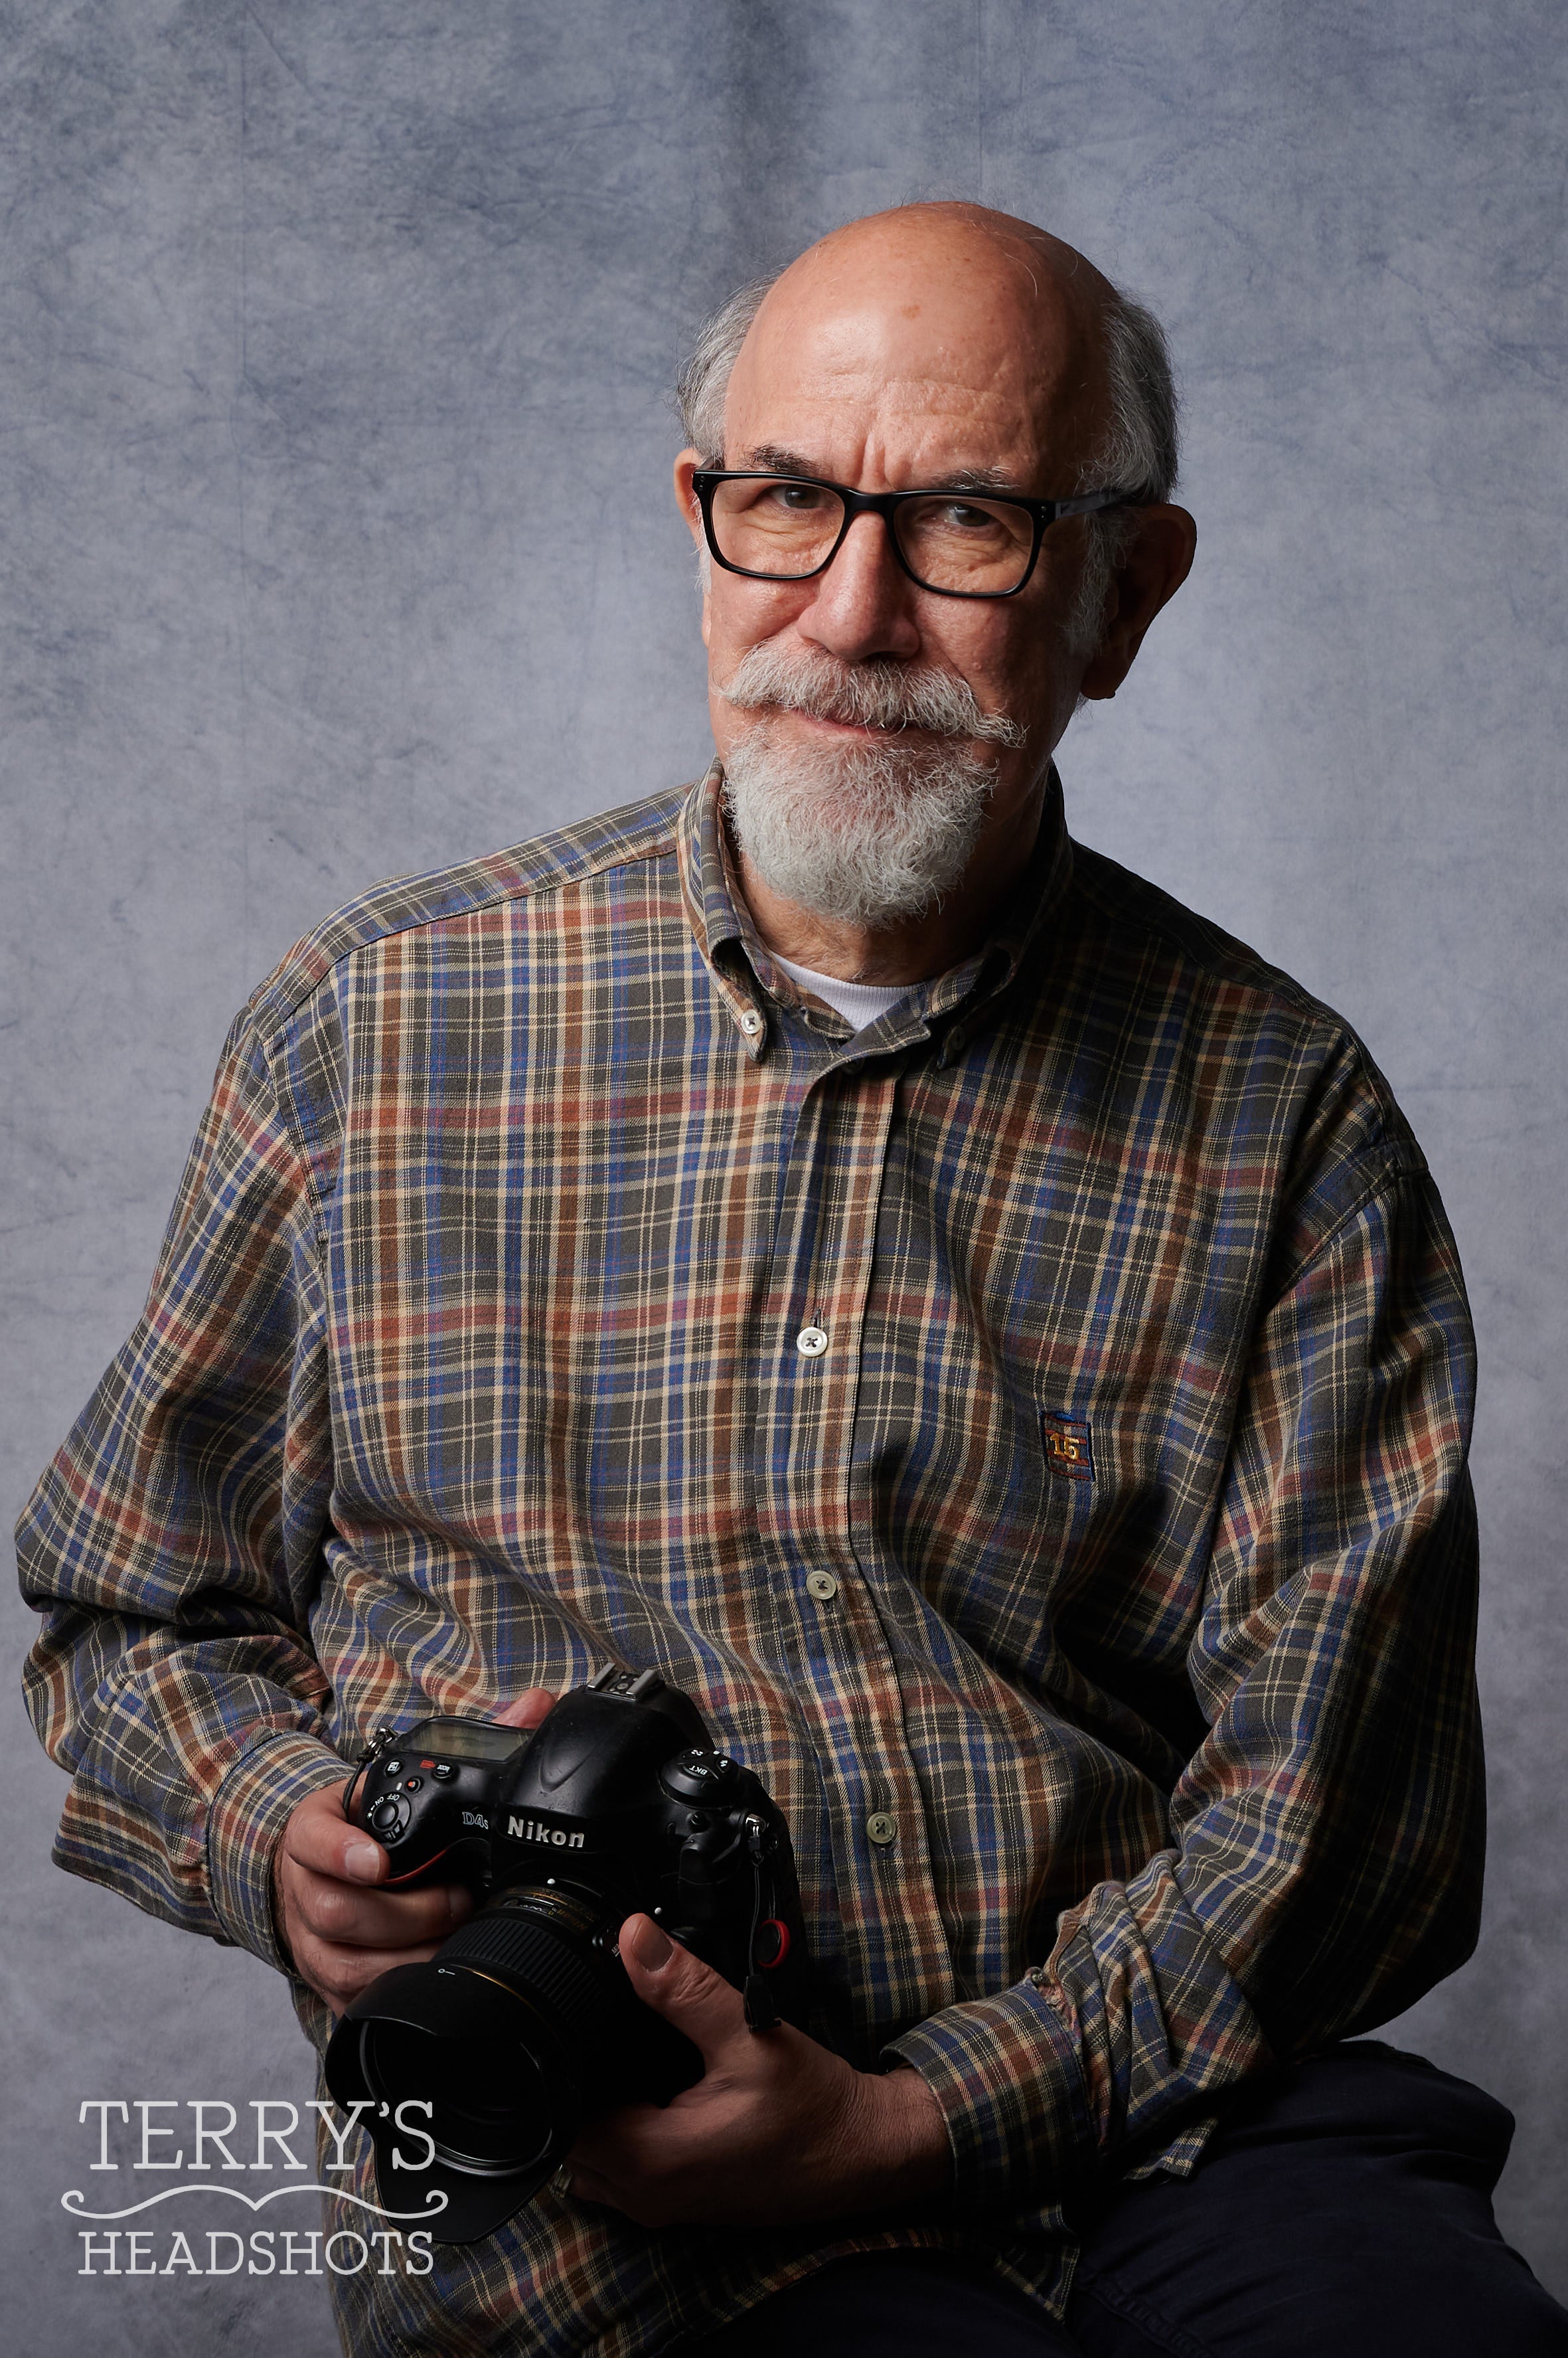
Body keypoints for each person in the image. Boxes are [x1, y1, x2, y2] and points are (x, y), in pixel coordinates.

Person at [17, 203, 1566, 2356]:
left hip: (1181, 2120)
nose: (850, 612)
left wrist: (917, 2121)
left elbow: (1344, 1822)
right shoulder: (372, 1029)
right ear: (699, 519)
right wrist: (278, 1830)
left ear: (1125, 593)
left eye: (967, 522)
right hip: (615, 2177)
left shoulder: (1282, 1110)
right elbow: (132, 1613)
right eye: (784, 503)